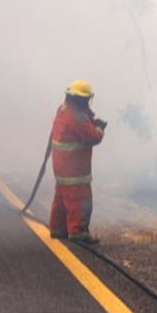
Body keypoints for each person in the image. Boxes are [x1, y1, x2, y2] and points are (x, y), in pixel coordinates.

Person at [49, 80, 107, 244]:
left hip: (61, 168)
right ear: (84, 99)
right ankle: (78, 232)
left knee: (61, 198)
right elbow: (91, 137)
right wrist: (100, 129)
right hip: (74, 171)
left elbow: (75, 129)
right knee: (80, 200)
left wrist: (90, 120)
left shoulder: (62, 110)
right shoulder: (78, 117)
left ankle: (58, 229)